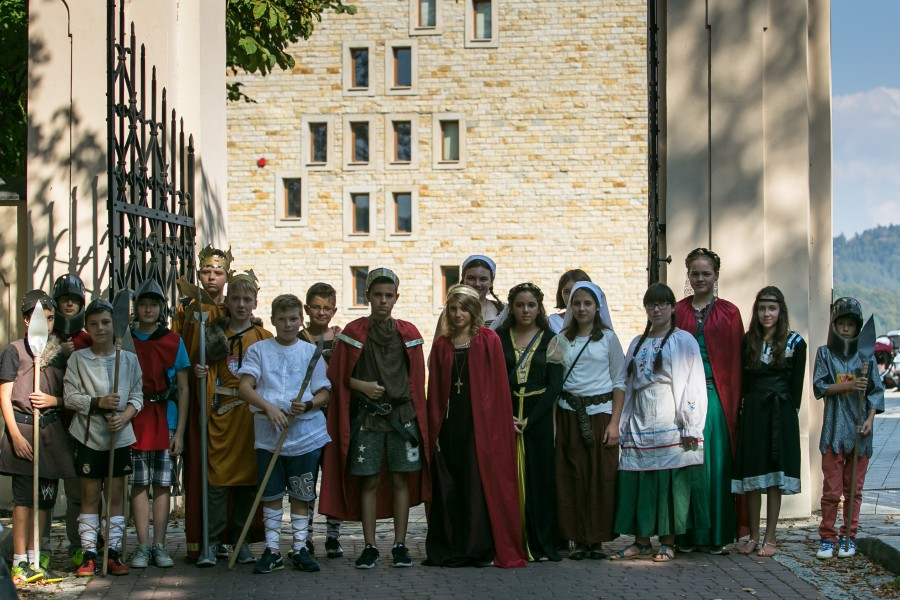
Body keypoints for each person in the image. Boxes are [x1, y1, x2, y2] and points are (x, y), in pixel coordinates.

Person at [320, 268, 430, 570]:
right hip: (367, 419)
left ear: (396, 297)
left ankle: (399, 544)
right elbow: (337, 377)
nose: (383, 301)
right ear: (367, 296)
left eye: (389, 295)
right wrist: (362, 386)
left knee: (400, 480)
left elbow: (417, 380)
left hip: (402, 418)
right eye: (378, 295)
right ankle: (369, 545)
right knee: (368, 480)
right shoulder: (353, 333)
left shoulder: (409, 333)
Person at [425, 284, 525, 568]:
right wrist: (435, 430)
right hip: (449, 426)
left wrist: (501, 423)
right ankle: (450, 545)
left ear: (474, 312)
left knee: (475, 484)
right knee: (448, 486)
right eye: (453, 309)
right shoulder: (442, 345)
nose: (458, 314)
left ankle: (476, 547)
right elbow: (435, 391)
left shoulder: (488, 340)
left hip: (479, 426)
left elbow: (498, 387)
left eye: (464, 309)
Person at [613, 283, 709, 562]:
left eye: (662, 304)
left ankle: (668, 541)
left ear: (672, 308)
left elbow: (693, 383)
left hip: (671, 416)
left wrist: (691, 424)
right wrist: (623, 421)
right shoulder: (636, 342)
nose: (656, 309)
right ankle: (641, 541)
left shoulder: (683, 341)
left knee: (670, 480)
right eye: (651, 304)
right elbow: (628, 384)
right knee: (640, 479)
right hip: (641, 419)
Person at [238, 294, 331, 574]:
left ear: (301, 320)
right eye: (282, 319)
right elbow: (245, 387)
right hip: (269, 435)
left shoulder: (310, 352)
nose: (288, 324)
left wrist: (308, 404)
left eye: (293, 319)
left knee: (302, 493)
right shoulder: (259, 350)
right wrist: (269, 408)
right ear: (273, 320)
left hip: (304, 434)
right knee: (271, 493)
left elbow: (325, 392)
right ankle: (272, 550)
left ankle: (301, 547)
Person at [196, 270, 272, 567]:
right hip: (222, 414)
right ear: (226, 301)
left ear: (255, 303)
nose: (241, 304)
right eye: (236, 299)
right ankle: (212, 542)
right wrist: (203, 374)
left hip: (252, 417)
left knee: (250, 480)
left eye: (247, 299)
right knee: (218, 479)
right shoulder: (213, 334)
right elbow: (205, 372)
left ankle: (241, 540)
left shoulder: (263, 338)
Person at [64, 298, 144, 577]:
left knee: (115, 494)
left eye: (106, 322)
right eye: (94, 323)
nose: (101, 328)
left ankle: (112, 552)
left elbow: (137, 396)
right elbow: (70, 397)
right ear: (86, 327)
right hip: (88, 435)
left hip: (118, 435)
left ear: (115, 326)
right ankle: (89, 553)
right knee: (89, 494)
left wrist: (125, 416)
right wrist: (98, 403)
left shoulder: (129, 359)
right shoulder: (78, 359)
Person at [0, 291, 72, 586]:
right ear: (27, 319)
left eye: (51, 318)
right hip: (23, 430)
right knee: (23, 499)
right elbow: (4, 396)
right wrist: (15, 435)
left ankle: (36, 557)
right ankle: (19, 563)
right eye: (40, 317)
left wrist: (53, 401)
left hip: (50, 433)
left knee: (45, 500)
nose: (46, 322)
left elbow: (69, 397)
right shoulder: (14, 350)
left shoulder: (59, 354)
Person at [674, 247, 744, 554]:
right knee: (687, 464)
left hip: (715, 397)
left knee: (713, 464)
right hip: (684, 397)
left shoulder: (730, 312)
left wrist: (735, 403)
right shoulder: (678, 310)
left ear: (716, 276)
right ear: (688, 275)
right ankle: (687, 534)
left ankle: (715, 534)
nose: (700, 278)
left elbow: (737, 362)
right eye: (695, 273)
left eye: (706, 273)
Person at [551, 281, 625, 560]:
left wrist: (614, 423)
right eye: (577, 303)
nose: (581, 308)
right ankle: (578, 540)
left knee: (600, 478)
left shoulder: (608, 339)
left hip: (600, 415)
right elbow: (555, 383)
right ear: (570, 306)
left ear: (597, 307)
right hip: (568, 414)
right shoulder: (561, 340)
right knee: (571, 477)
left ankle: (596, 540)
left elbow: (620, 382)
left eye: (587, 303)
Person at [731, 287, 806, 558]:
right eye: (762, 308)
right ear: (756, 311)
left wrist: (788, 413)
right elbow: (743, 379)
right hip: (753, 410)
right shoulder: (748, 340)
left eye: (772, 308)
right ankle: (753, 535)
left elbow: (796, 387)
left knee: (775, 476)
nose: (767, 313)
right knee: (752, 475)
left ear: (780, 311)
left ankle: (771, 537)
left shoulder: (796, 342)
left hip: (781, 411)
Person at [813, 297, 884, 560]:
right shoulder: (825, 354)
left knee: (853, 490)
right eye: (840, 324)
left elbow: (876, 392)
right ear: (834, 326)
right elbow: (820, 387)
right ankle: (827, 538)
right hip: (834, 431)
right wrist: (848, 386)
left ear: (857, 328)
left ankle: (848, 536)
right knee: (831, 490)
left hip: (860, 433)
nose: (845, 329)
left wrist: (870, 418)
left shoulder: (866, 357)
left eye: (850, 325)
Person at [172, 244, 230, 562]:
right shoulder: (187, 309)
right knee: (198, 468)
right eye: (206, 271)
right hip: (196, 399)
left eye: (217, 272)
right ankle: (199, 539)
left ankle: (225, 537)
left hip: (227, 400)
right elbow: (177, 350)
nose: (211, 276)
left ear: (227, 276)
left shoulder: (234, 309)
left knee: (227, 470)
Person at [127, 279, 190, 569]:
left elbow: (184, 388)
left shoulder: (173, 341)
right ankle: (142, 545)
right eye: (143, 303)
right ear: (136, 307)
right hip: (135, 417)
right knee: (139, 484)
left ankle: (160, 545)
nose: (148, 309)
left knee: (162, 484)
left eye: (153, 304)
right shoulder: (125, 340)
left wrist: (180, 431)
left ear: (160, 307)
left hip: (166, 417)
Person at [498, 283, 563, 562]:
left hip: (538, 417)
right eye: (520, 305)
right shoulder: (498, 338)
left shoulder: (552, 339)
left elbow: (555, 385)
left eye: (531, 305)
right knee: (505, 478)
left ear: (539, 307)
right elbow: (492, 381)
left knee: (540, 479)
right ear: (511, 308)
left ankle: (539, 541)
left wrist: (530, 420)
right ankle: (510, 539)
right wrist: (504, 417)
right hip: (505, 415)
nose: (526, 310)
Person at [50, 273, 93, 566]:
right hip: (54, 424)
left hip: (83, 422)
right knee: (50, 490)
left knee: (82, 490)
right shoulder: (46, 338)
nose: (69, 305)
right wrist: (56, 356)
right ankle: (38, 547)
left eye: (74, 300)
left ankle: (83, 543)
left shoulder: (88, 339)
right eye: (64, 299)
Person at [299, 282, 343, 559]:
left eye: (327, 308)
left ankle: (333, 535)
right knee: (306, 478)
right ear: (307, 308)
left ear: (334, 310)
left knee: (333, 477)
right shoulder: (299, 337)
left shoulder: (341, 338)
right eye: (316, 307)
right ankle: (306, 535)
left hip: (334, 417)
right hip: (307, 415)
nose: (321, 312)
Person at [548, 269, 592, 334]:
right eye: (566, 292)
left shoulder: (596, 321)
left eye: (575, 290)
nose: (571, 296)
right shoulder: (552, 322)